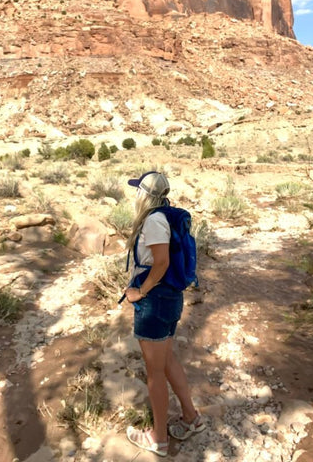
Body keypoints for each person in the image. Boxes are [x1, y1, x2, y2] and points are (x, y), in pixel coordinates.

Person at [124, 171, 205, 457]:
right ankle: (191, 417)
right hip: (167, 300)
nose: (134, 194)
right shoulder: (162, 217)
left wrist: (140, 292)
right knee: (168, 360)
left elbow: (160, 263)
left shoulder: (155, 221)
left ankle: (157, 439)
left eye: (137, 190)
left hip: (155, 302)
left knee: (155, 373)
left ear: (145, 194)